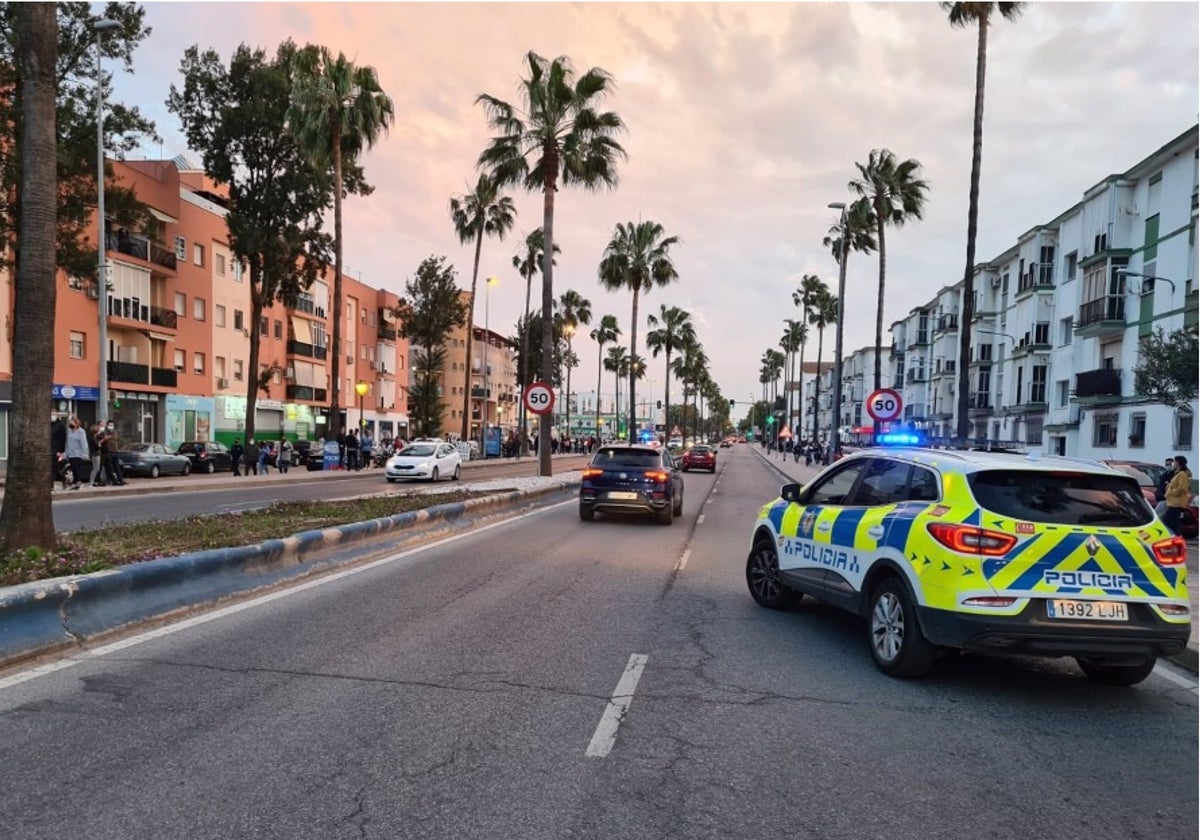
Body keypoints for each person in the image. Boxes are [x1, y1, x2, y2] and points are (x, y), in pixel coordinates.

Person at [1162, 455, 1193, 536]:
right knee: (1174, 522)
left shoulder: (1182, 474)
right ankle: (1177, 537)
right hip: (1173, 502)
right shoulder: (1178, 473)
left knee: (1167, 521)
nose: (1173, 463)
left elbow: (1182, 488)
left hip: (1176, 503)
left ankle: (1174, 537)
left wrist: (1171, 492)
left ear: (1178, 463)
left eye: (1174, 462)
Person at [64, 416, 90, 490]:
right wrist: (65, 452)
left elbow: (83, 443)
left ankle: (78, 482)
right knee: (72, 468)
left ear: (76, 423)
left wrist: (85, 453)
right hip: (70, 453)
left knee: (76, 468)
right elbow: (67, 443)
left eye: (72, 422)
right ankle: (75, 482)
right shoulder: (69, 431)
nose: (70, 424)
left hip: (77, 454)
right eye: (70, 422)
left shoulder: (81, 432)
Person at [51, 414, 67, 490]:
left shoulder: (60, 425)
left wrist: (60, 451)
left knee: (53, 467)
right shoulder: (49, 425)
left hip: (56, 449)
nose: (52, 416)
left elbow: (63, 439)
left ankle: (51, 484)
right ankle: (62, 478)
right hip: (49, 448)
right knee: (54, 468)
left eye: (53, 414)